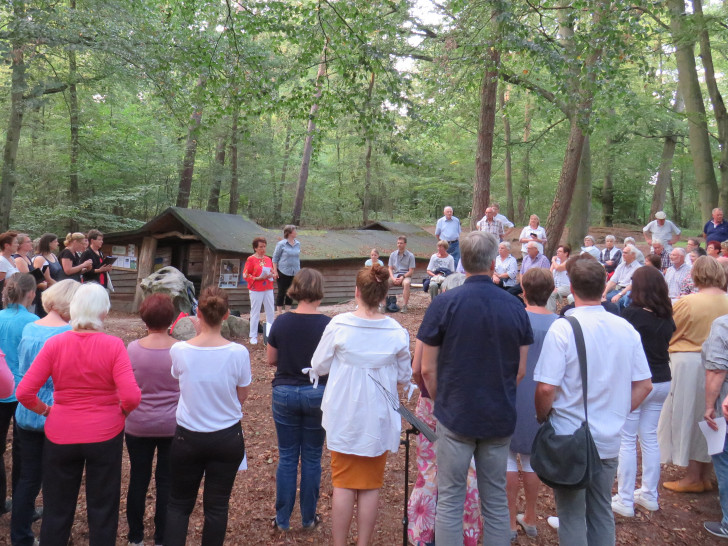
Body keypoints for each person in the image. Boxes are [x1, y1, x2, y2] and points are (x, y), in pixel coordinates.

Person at [418, 231, 533, 545]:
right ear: (494, 261)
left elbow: (427, 368)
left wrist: (445, 403)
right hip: (498, 416)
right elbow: (520, 370)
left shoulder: (444, 304)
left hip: (456, 414)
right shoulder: (515, 308)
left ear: (462, 262)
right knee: (495, 500)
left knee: (451, 499)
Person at [534, 254, 653, 545]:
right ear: (604, 289)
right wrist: (617, 413)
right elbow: (645, 385)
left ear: (571, 288)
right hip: (609, 439)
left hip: (569, 436)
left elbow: (546, 389)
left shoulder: (563, 328)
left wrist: (541, 416)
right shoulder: (626, 329)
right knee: (601, 511)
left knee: (572, 514)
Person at [16, 282, 141, 545]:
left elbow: (24, 392)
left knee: (57, 508)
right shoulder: (114, 345)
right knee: (103, 507)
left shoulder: (55, 344)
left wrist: (47, 410)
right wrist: (120, 413)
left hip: (61, 432)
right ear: (103, 312)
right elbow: (131, 396)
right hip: (105, 434)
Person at [310, 264, 411, 546]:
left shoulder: (339, 325)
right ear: (383, 296)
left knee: (342, 484)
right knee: (370, 486)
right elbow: (405, 375)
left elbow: (318, 365)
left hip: (345, 414)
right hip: (377, 417)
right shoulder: (395, 331)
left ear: (357, 292)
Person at [165, 287, 251, 546]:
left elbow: (178, 378)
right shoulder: (238, 353)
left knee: (178, 505)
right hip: (226, 436)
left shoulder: (180, 350)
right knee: (217, 507)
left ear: (197, 314)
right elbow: (241, 395)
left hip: (188, 437)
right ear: (226, 315)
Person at [12, 279, 79, 546]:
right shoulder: (69, 332)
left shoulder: (30, 326)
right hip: (55, 412)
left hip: (26, 410)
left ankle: (21, 537)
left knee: (27, 479)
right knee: (56, 483)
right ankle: (54, 537)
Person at [267, 269, 330, 531]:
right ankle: (308, 518)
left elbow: (271, 359)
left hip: (285, 391)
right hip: (317, 393)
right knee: (313, 458)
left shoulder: (281, 322)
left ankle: (282, 520)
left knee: (288, 457)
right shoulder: (329, 324)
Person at [658, 256, 728, 493]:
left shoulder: (687, 302)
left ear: (696, 275)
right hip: (722, 367)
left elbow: (669, 330)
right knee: (713, 418)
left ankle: (694, 476)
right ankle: (706, 473)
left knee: (690, 418)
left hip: (689, 364)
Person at [612, 267, 676, 518]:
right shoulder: (666, 315)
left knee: (627, 438)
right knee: (649, 437)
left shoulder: (632, 315)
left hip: (638, 381)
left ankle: (625, 498)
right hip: (662, 380)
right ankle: (649, 494)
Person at [408, 338, 483, 546]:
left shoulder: (436, 317)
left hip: (432, 401)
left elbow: (418, 369)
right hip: (468, 401)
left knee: (429, 468)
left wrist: (432, 394)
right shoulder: (480, 316)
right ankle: (464, 532)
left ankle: (424, 533)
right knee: (466, 468)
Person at [124, 294, 179, 546]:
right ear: (171, 319)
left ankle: (135, 537)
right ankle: (162, 537)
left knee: (138, 477)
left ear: (144, 319)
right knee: (166, 481)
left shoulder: (133, 349)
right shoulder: (180, 349)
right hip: (172, 424)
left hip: (138, 424)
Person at [507, 268, 556, 540]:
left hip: (514, 392)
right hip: (543, 398)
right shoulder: (561, 324)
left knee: (507, 457)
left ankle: (511, 520)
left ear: (523, 290)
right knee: (531, 459)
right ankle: (531, 515)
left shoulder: (515, 319)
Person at [0, 274, 38, 517]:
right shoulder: (34, 322)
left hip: (1, 388)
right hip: (24, 391)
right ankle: (25, 506)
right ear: (32, 293)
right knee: (24, 450)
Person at [702, 314, 728, 538]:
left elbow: (717, 369)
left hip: (725, 406)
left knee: (725, 459)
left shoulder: (723, 324)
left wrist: (710, 405)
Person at [243, 236, 275, 345]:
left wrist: (272, 274)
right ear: (255, 248)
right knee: (255, 312)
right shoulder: (251, 259)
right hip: (256, 288)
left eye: (264, 246)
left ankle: (271, 335)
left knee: (270, 311)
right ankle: (253, 335)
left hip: (268, 287)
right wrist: (257, 278)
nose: (263, 249)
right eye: (261, 247)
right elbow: (245, 274)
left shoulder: (268, 259)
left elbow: (272, 272)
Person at [602, 244, 642, 309]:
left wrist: (619, 295)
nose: (623, 254)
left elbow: (632, 286)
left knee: (616, 301)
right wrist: (605, 292)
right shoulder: (621, 266)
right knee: (601, 300)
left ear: (633, 254)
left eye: (625, 253)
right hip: (616, 290)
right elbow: (613, 281)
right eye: (623, 252)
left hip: (627, 293)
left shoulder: (638, 268)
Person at [272, 225, 301, 313]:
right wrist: (275, 271)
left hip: (295, 271)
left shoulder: (298, 244)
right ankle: (279, 312)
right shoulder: (281, 244)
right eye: (294, 231)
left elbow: (297, 258)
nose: (296, 232)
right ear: (289, 233)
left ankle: (287, 311)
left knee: (291, 291)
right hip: (283, 271)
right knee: (282, 291)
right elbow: (275, 258)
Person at [388, 236, 415, 313]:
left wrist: (403, 277)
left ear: (405, 244)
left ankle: (404, 306)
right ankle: (383, 305)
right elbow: (390, 268)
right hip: (395, 275)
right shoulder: (392, 255)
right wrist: (392, 278)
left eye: (401, 243)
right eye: (398, 243)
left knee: (406, 283)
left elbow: (411, 271)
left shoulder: (410, 256)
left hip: (405, 275)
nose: (399, 245)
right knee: (383, 283)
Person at [548, 244, 571, 313]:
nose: (557, 252)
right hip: (555, 286)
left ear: (566, 253)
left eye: (560, 251)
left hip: (566, 286)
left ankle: (551, 314)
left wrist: (553, 260)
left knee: (551, 294)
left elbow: (559, 268)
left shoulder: (569, 262)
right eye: (557, 251)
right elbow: (550, 273)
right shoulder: (555, 261)